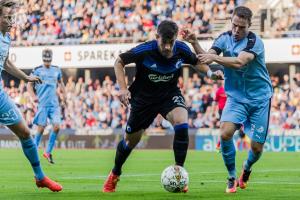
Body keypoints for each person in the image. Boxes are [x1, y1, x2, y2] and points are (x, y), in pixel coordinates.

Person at [102, 20, 223, 193]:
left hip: (169, 95)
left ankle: (179, 174)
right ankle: (115, 173)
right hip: (143, 99)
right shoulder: (145, 50)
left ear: (175, 39)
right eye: (163, 42)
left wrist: (211, 73)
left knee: (182, 122)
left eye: (171, 42)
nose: (167, 47)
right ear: (156, 37)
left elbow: (197, 62)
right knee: (130, 141)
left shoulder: (181, 49)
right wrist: (122, 88)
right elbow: (119, 61)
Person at [182, 6, 273, 193]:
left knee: (256, 148)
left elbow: (240, 61)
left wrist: (215, 57)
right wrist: (194, 42)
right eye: (234, 25)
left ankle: (246, 169)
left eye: (241, 27)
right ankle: (231, 176)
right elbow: (206, 57)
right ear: (231, 21)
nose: (236, 30)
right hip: (236, 98)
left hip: (260, 100)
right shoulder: (224, 38)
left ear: (249, 26)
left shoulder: (255, 42)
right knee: (224, 133)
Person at [0, 0, 62, 191]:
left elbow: (6, 62)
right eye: (7, 17)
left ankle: (40, 177)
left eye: (12, 17)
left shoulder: (7, 37)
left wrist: (26, 77)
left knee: (26, 133)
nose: (12, 21)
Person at [27, 48, 66, 164]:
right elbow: (29, 85)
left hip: (54, 105)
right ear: (43, 59)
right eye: (46, 60)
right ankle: (33, 150)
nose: (47, 63)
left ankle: (47, 152)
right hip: (43, 104)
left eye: (49, 60)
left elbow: (61, 83)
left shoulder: (57, 70)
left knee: (57, 126)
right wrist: (33, 96)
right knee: (41, 127)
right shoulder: (37, 70)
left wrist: (65, 95)